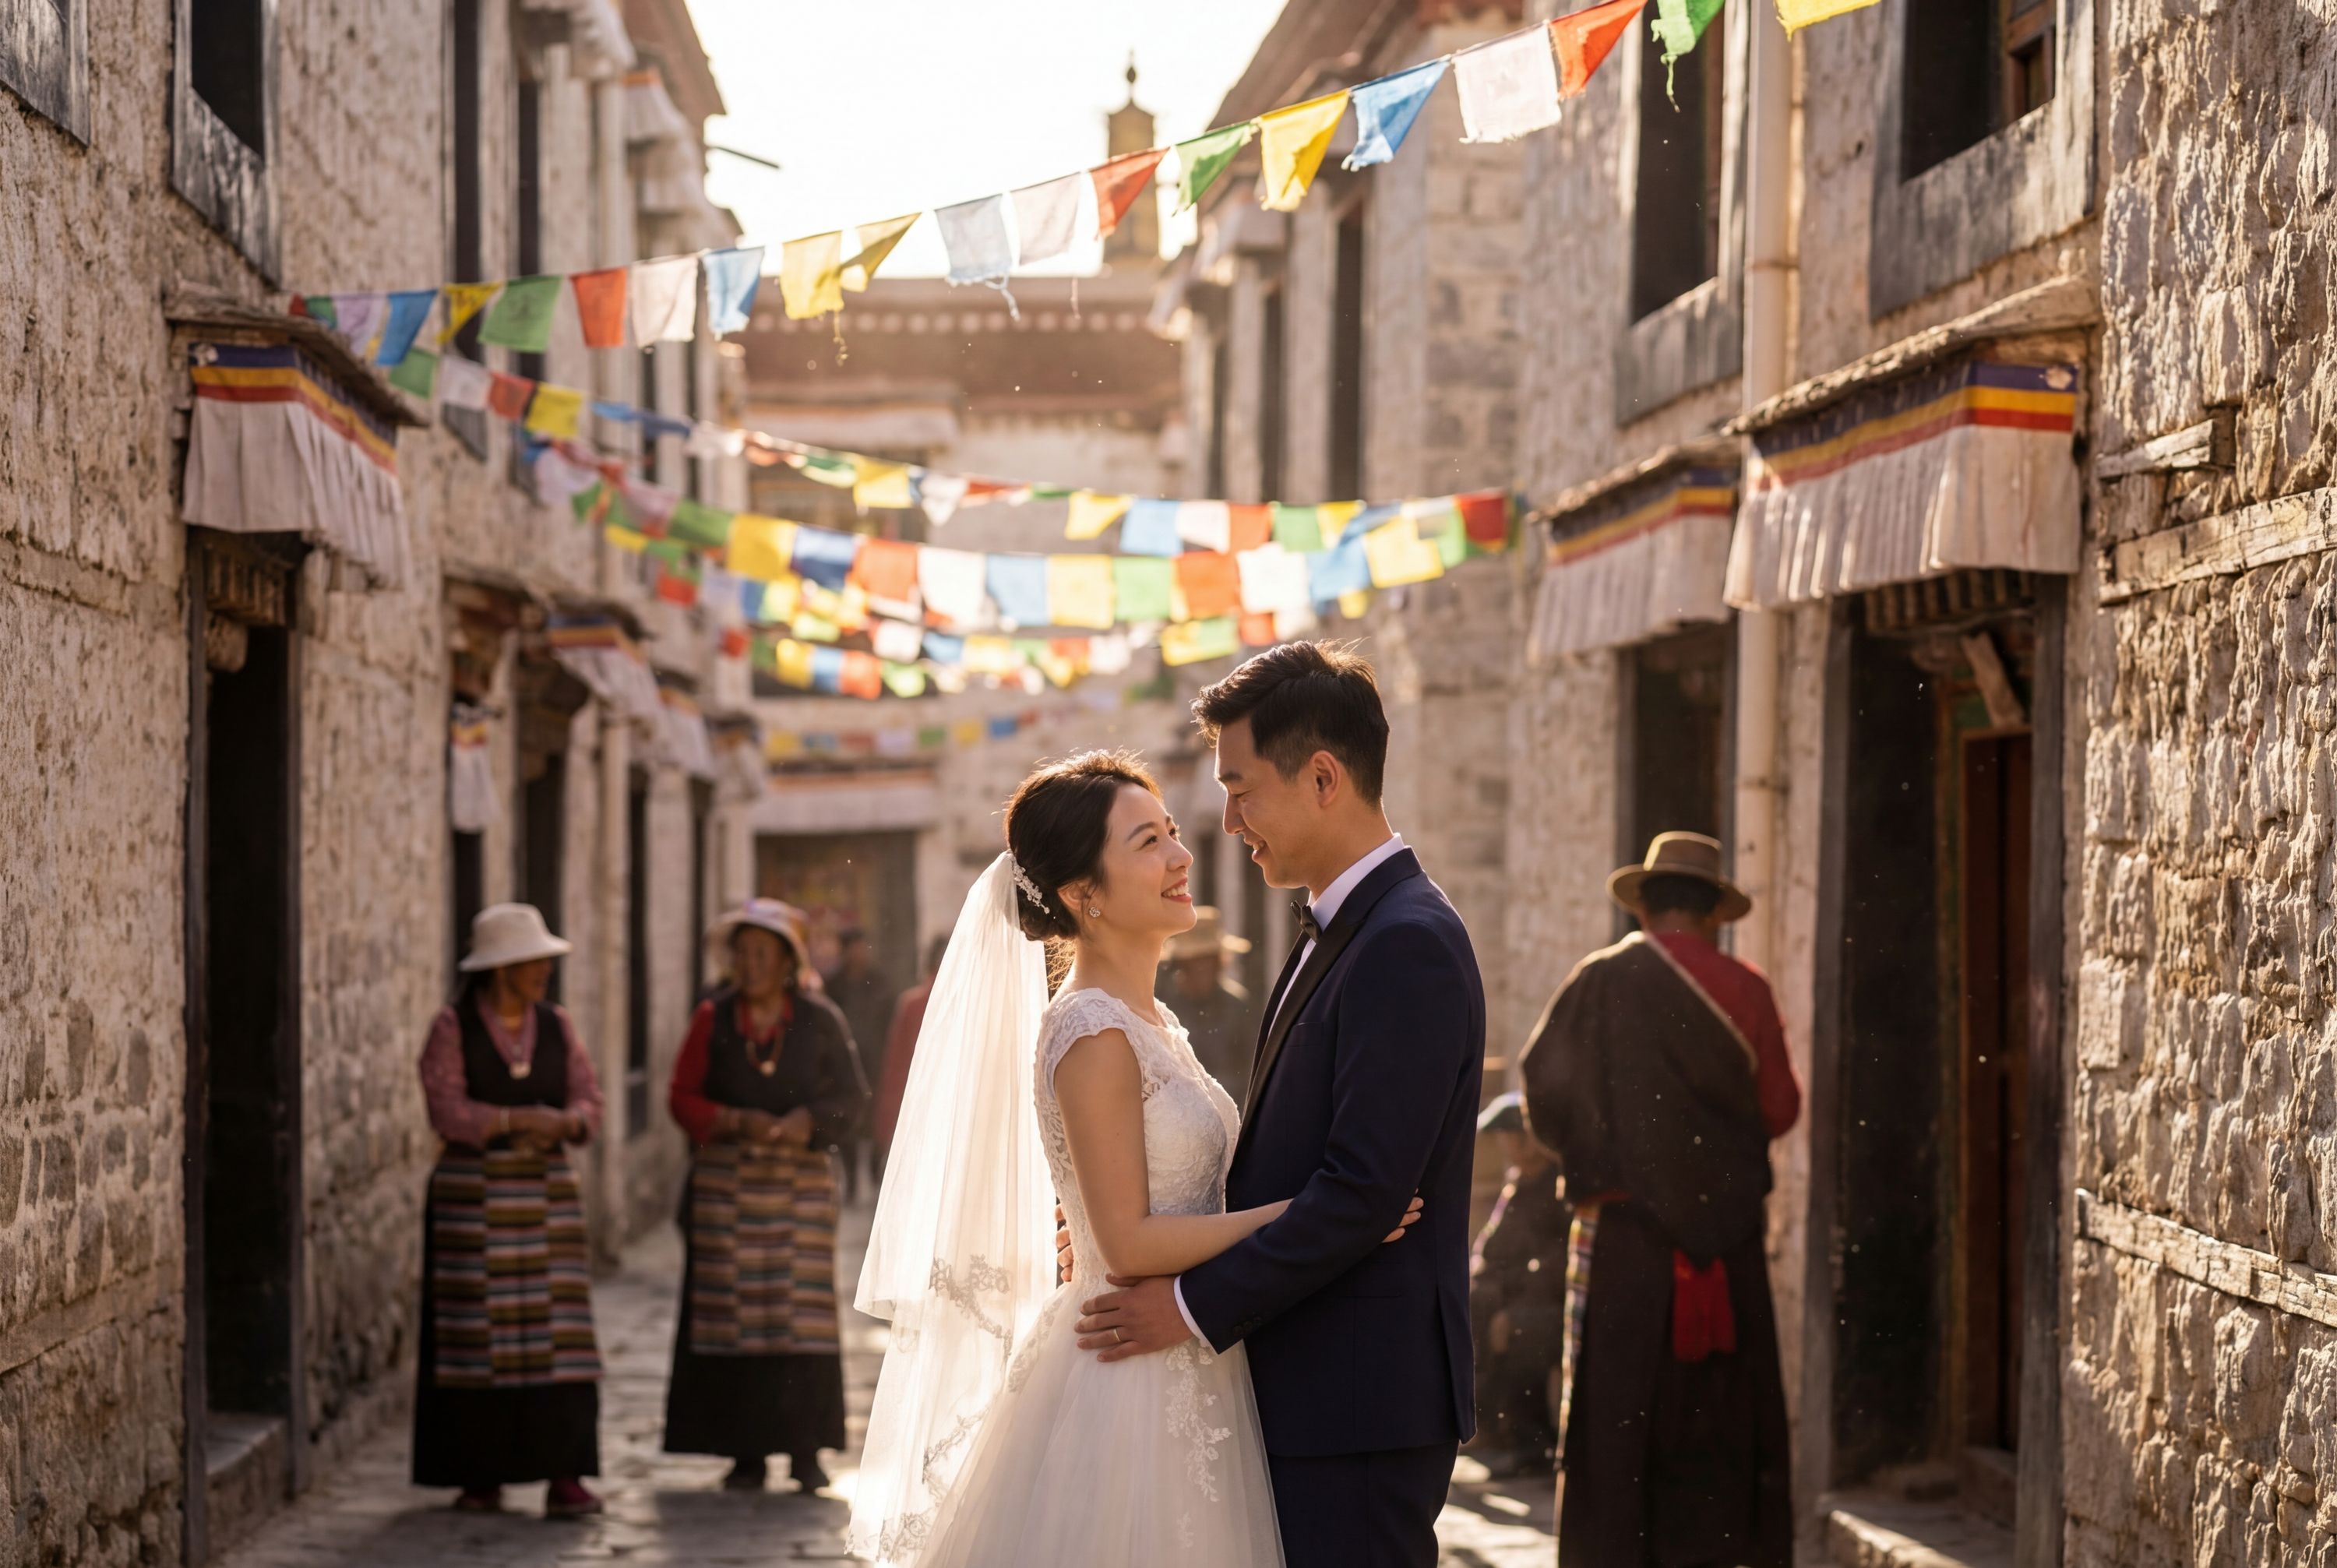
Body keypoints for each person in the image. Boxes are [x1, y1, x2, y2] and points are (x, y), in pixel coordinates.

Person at [847, 748, 1426, 1567]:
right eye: (1148, 843)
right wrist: (1322, 1214)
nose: (1181, 857)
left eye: (1169, 834)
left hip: (1192, 1361)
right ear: (1084, 895)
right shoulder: (1092, 1031)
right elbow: (1126, 1244)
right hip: (1126, 1380)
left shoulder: (1148, 1021)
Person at [1074, 641, 1487, 1568]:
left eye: (1242, 787)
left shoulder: (1405, 942)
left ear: (1325, 777)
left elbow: (1361, 1194)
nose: (1225, 823)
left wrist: (1184, 1307)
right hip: (1306, 1387)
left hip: (1357, 1399)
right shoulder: (1339, 928)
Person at [1517, 831, 1801, 1568]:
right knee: (1723, 1413)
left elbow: (1542, 1093)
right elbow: (1780, 1108)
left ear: (1643, 904)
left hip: (1628, 1248)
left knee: (1617, 1416)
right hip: (1727, 1250)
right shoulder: (1747, 990)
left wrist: (1607, 1155)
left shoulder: (1601, 978)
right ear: (1714, 914)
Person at [663, 897, 868, 1495]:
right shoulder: (713, 1019)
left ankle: (805, 1450)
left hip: (798, 1194)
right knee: (733, 1315)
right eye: (741, 953)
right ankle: (744, 1451)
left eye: (762, 954)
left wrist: (810, 1119)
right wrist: (730, 1118)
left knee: (796, 1316)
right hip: (728, 1193)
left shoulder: (820, 1018)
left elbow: (850, 1098)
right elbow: (681, 1095)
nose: (749, 964)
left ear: (787, 961)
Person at [412, 903, 605, 1517]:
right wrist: (518, 1119)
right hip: (474, 1204)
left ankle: (564, 1472)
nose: (544, 971)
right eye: (532, 961)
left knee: (558, 1336)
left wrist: (568, 1123)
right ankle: (480, 1472)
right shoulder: (452, 1027)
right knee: (478, 1334)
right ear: (500, 969)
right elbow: (446, 1108)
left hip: (547, 1202)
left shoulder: (557, 1024)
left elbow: (589, 1098)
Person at [1466, 1092, 1569, 1478]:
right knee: (1475, 1303)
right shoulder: (1517, 1188)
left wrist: (1514, 1308)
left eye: (1515, 1136)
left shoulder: (1559, 1185)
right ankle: (1488, 1425)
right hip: (1513, 1298)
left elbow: (1558, 1262)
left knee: (1526, 1329)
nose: (1510, 1147)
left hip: (1550, 1303)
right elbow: (1492, 1250)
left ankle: (1532, 1445)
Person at [1159, 905, 1260, 1102]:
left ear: (1220, 961)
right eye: (1197, 960)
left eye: (1209, 959)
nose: (1204, 967)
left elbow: (1253, 1067)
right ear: (1181, 964)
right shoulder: (1163, 1006)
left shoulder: (1238, 1006)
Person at [825, 928, 893, 1201]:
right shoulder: (834, 986)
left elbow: (889, 1023)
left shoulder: (879, 984)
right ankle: (851, 1181)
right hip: (843, 1064)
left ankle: (877, 1179)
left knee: (876, 1121)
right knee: (849, 1123)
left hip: (875, 1063)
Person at [870, 932, 948, 1169]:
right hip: (925, 1117)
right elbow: (897, 1069)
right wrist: (885, 1130)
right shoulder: (913, 1005)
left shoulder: (977, 1003)